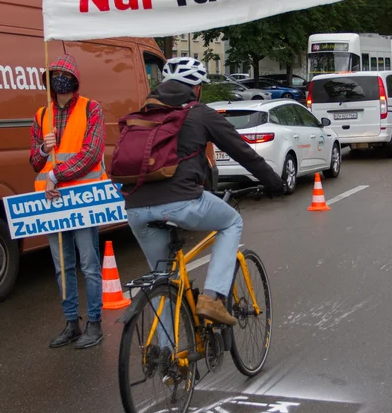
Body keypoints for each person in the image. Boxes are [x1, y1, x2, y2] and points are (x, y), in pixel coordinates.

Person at [122, 58, 285, 326]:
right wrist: (274, 183)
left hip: (136, 207)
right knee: (232, 221)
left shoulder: (144, 114)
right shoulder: (200, 113)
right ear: (196, 88)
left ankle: (166, 359)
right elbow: (243, 153)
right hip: (182, 201)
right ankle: (212, 297)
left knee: (163, 278)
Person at [30, 54, 106, 350]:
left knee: (88, 263)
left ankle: (95, 323)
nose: (59, 79)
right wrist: (41, 147)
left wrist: (56, 175)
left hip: (82, 199)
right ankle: (71, 323)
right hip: (52, 203)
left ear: (74, 80)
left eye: (64, 74)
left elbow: (91, 153)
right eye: (54, 74)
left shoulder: (91, 108)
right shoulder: (41, 115)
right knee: (63, 267)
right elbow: (35, 161)